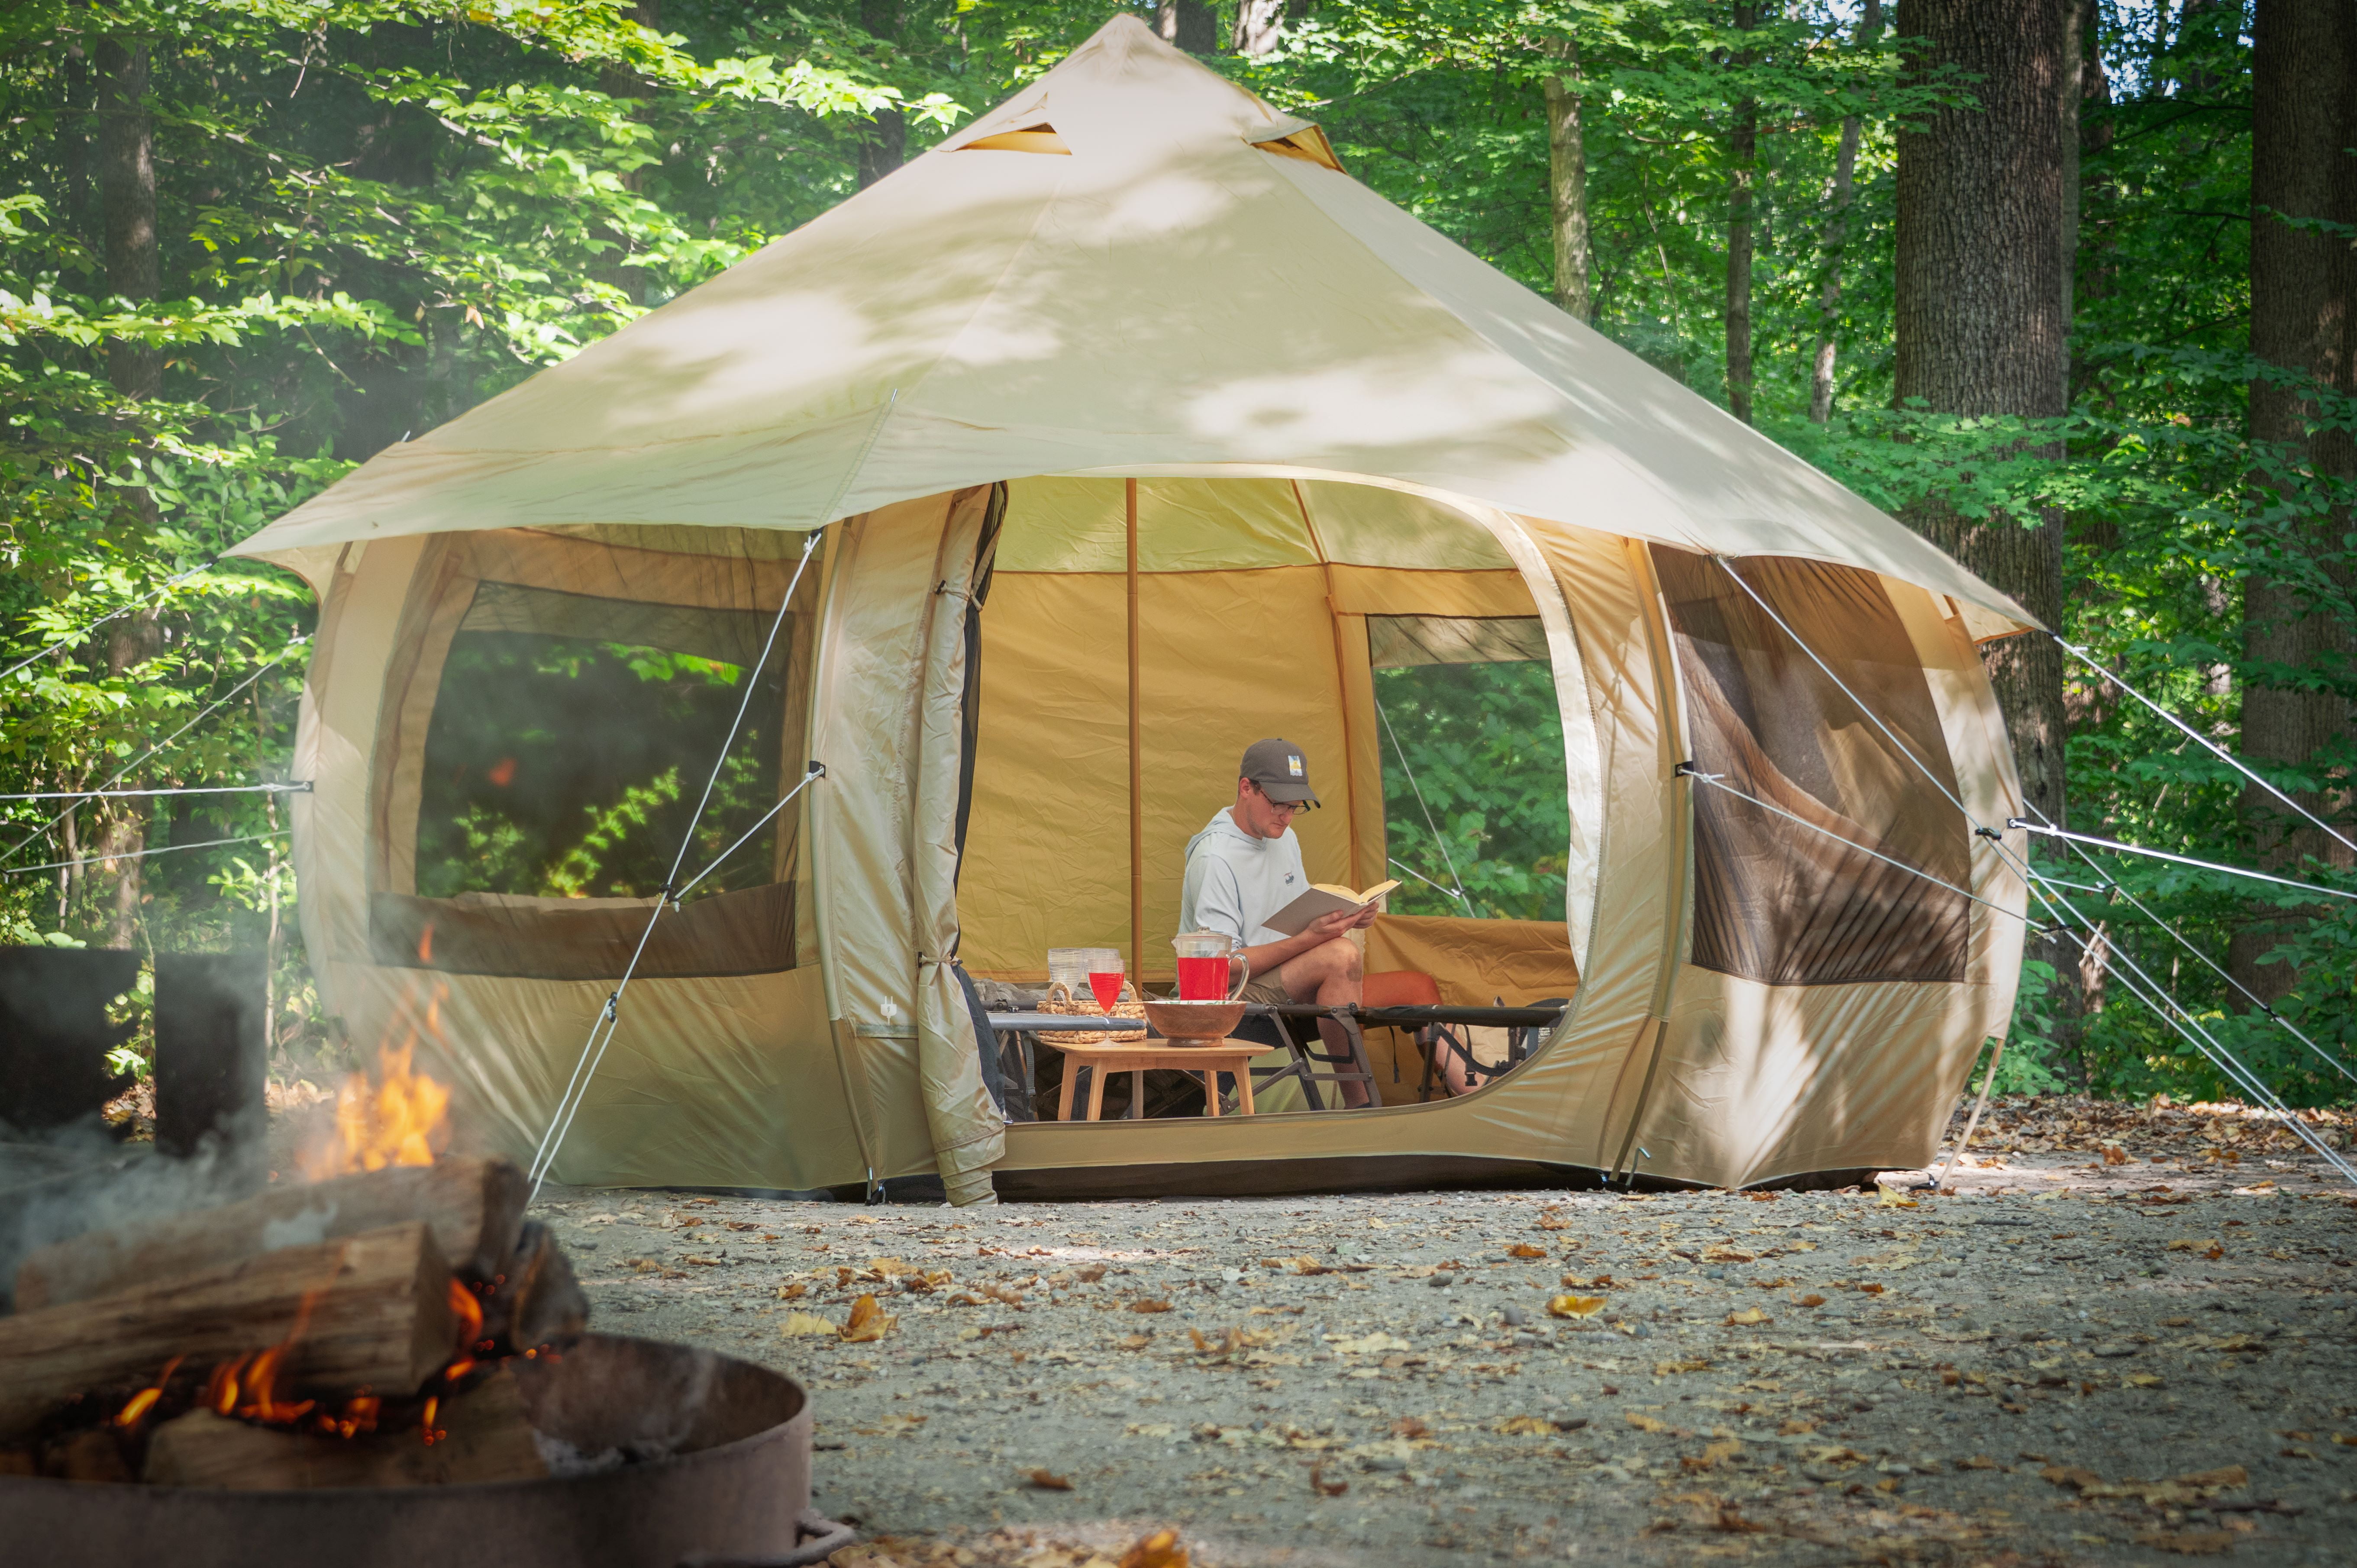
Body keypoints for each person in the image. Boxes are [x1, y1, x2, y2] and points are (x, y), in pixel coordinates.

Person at [1178, 739, 1375, 1108]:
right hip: (1223, 999)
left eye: (1294, 807)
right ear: (1246, 788)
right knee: (1340, 957)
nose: (1285, 816)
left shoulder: (1284, 838)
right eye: (1278, 804)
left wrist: (1351, 915)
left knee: (1417, 990)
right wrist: (1312, 939)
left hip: (1280, 978)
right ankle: (1360, 1108)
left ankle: (1463, 1100)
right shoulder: (1215, 857)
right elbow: (1222, 969)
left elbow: (1296, 917)